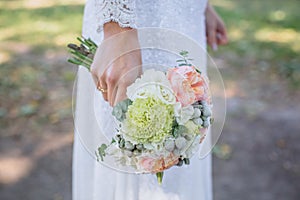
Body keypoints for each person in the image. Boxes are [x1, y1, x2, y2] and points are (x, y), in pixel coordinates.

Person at [73, 0, 227, 199]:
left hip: (185, 15)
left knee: (184, 142)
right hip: (136, 21)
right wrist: (117, 26)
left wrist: (202, 5)